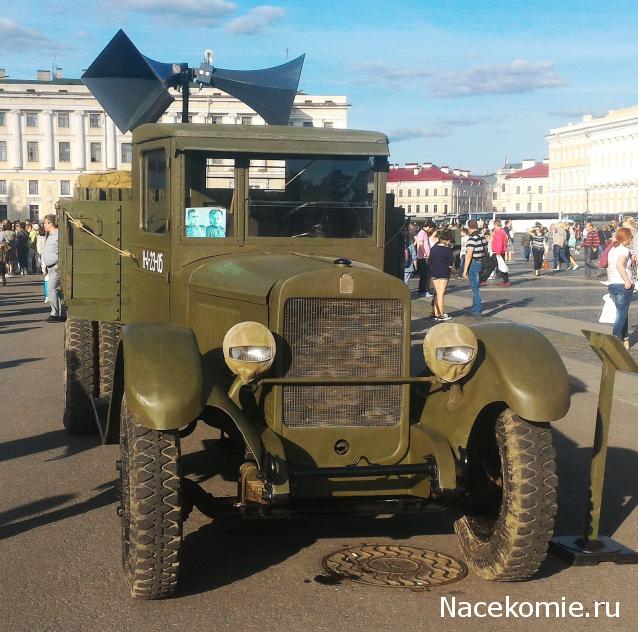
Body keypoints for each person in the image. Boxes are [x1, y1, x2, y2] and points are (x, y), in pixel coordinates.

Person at [606, 227, 635, 348]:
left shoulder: (613, 249)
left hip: (612, 283)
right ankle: (615, 340)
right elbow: (619, 265)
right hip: (622, 284)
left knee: (622, 312)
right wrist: (627, 281)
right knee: (621, 314)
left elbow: (609, 266)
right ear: (626, 237)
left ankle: (625, 339)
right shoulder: (623, 250)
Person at [428, 228, 454, 320]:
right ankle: (440, 314)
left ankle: (435, 312)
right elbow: (450, 264)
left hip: (434, 271)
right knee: (440, 293)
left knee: (436, 293)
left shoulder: (434, 248)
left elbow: (430, 261)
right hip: (444, 273)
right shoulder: (448, 250)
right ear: (448, 239)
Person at [463, 220, 488, 315]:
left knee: (475, 289)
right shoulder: (482, 237)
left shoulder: (472, 239)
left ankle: (476, 309)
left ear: (469, 227)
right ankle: (474, 306)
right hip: (481, 262)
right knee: (476, 287)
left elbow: (468, 255)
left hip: (474, 263)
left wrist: (465, 270)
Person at [42, 214, 64, 322]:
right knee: (57, 291)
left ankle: (54, 314)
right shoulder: (50, 235)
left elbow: (62, 251)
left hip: (56, 266)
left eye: (45, 223)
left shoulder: (58, 235)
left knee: (52, 289)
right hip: (50, 266)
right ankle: (62, 313)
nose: (44, 225)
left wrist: (54, 261)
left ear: (51, 223)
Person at [416, 222, 434, 298]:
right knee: (424, 275)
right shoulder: (422, 233)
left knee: (425, 275)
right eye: (431, 229)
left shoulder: (424, 233)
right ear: (428, 227)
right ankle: (422, 291)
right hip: (423, 257)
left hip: (424, 256)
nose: (431, 230)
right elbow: (420, 245)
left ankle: (423, 290)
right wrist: (425, 254)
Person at [491, 219, 511, 287]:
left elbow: (499, 242)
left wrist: (498, 252)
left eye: (494, 225)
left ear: (496, 225)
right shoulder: (502, 231)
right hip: (500, 251)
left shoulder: (499, 232)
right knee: (501, 266)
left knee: (500, 266)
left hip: (498, 251)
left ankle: (506, 281)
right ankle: (506, 281)